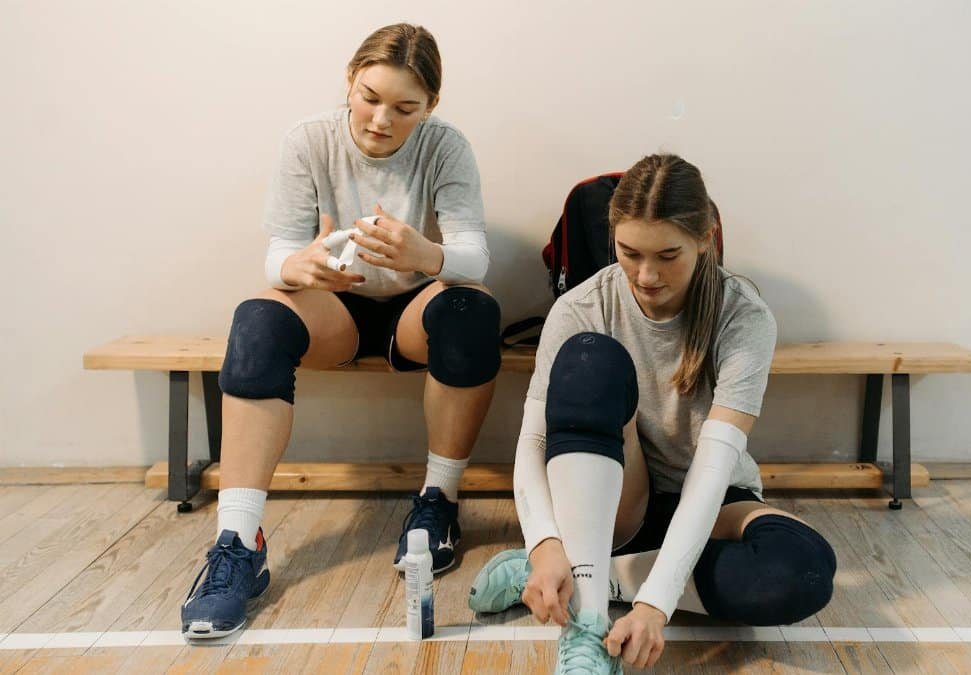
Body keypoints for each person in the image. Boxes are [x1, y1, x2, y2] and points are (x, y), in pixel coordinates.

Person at [181, 23, 499, 639]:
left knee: (472, 308)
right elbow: (275, 255)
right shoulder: (308, 139)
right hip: (335, 311)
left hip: (414, 309)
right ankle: (237, 540)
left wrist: (423, 255)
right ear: (349, 82)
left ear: (430, 106)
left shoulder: (447, 146)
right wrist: (297, 266)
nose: (381, 119)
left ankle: (438, 504)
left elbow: (474, 258)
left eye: (405, 108)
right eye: (369, 97)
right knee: (258, 316)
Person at [468, 154, 836, 672]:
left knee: (805, 571)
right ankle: (588, 627)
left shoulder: (744, 316)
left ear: (706, 237)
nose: (646, 274)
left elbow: (711, 471)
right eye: (629, 252)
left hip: (710, 500)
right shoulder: (579, 308)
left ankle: (595, 575)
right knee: (589, 357)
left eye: (668, 255)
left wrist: (654, 603)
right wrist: (544, 543)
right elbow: (533, 441)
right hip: (617, 499)